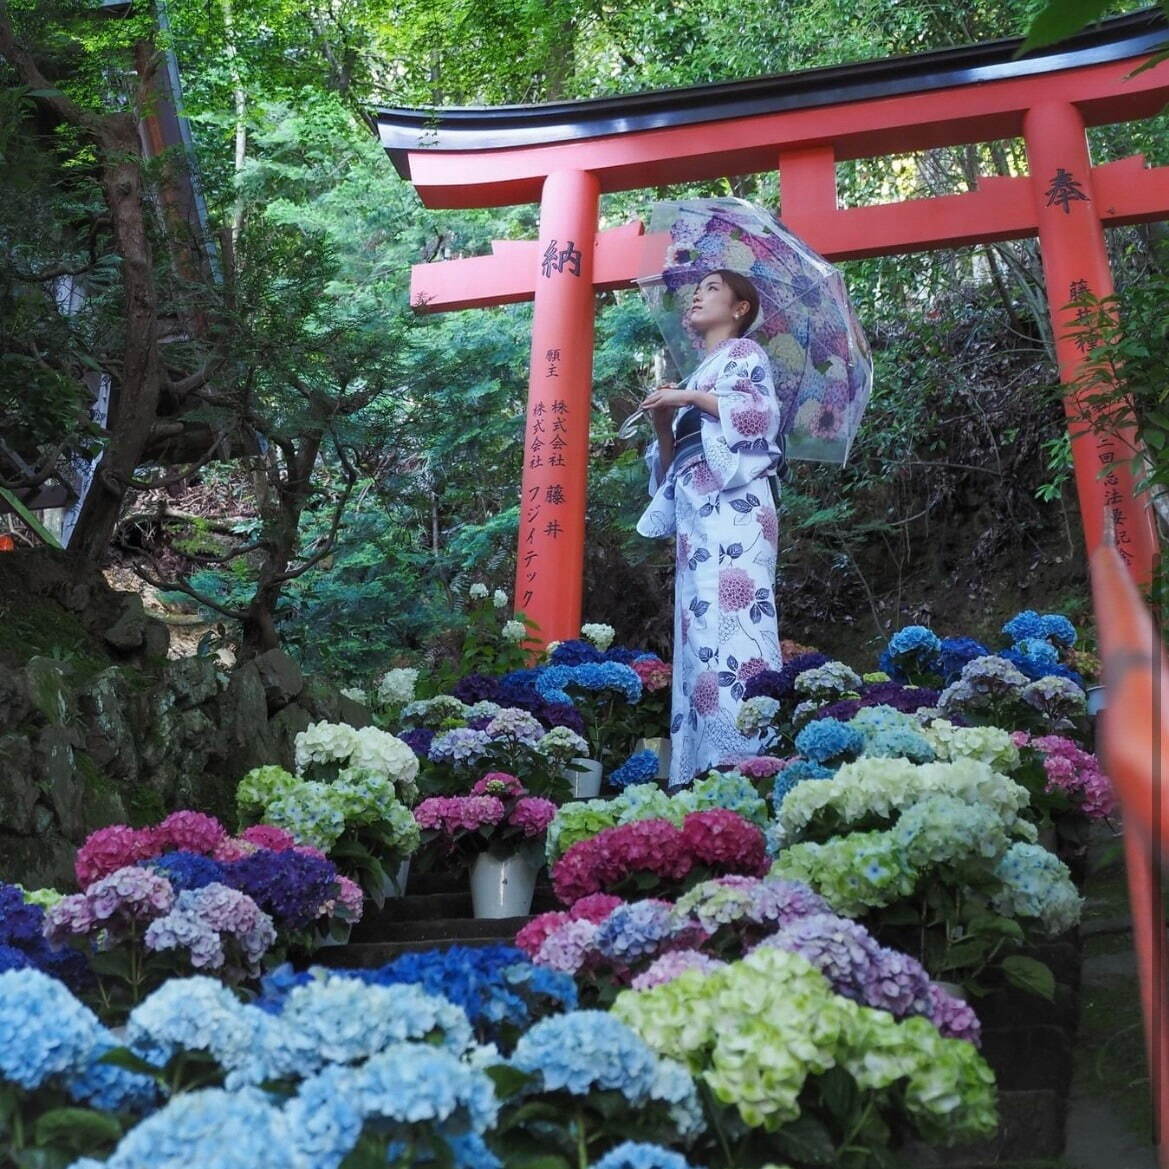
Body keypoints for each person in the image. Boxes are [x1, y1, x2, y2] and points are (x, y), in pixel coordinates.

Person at [636, 268, 791, 787]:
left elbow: (757, 416)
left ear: (740, 308)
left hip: (737, 505)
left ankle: (748, 753)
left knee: (738, 616)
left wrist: (687, 399)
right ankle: (699, 764)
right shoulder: (700, 371)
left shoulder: (746, 355)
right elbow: (669, 464)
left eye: (712, 289)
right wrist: (664, 422)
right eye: (697, 290)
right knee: (700, 627)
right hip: (697, 511)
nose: (698, 296)